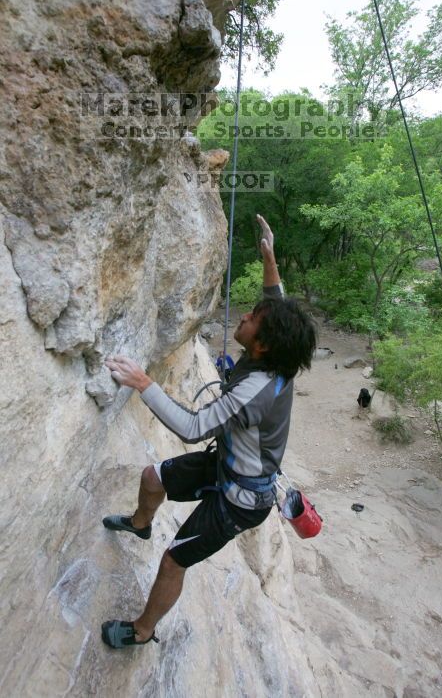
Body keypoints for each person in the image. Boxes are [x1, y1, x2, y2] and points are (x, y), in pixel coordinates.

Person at [101, 214, 317, 649]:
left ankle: (142, 631)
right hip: (227, 464)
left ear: (263, 345)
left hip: (241, 500)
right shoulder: (277, 357)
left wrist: (144, 383)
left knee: (173, 560)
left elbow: (194, 427)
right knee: (151, 477)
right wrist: (269, 256)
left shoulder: (256, 392)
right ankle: (142, 523)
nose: (246, 315)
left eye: (253, 317)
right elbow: (276, 300)